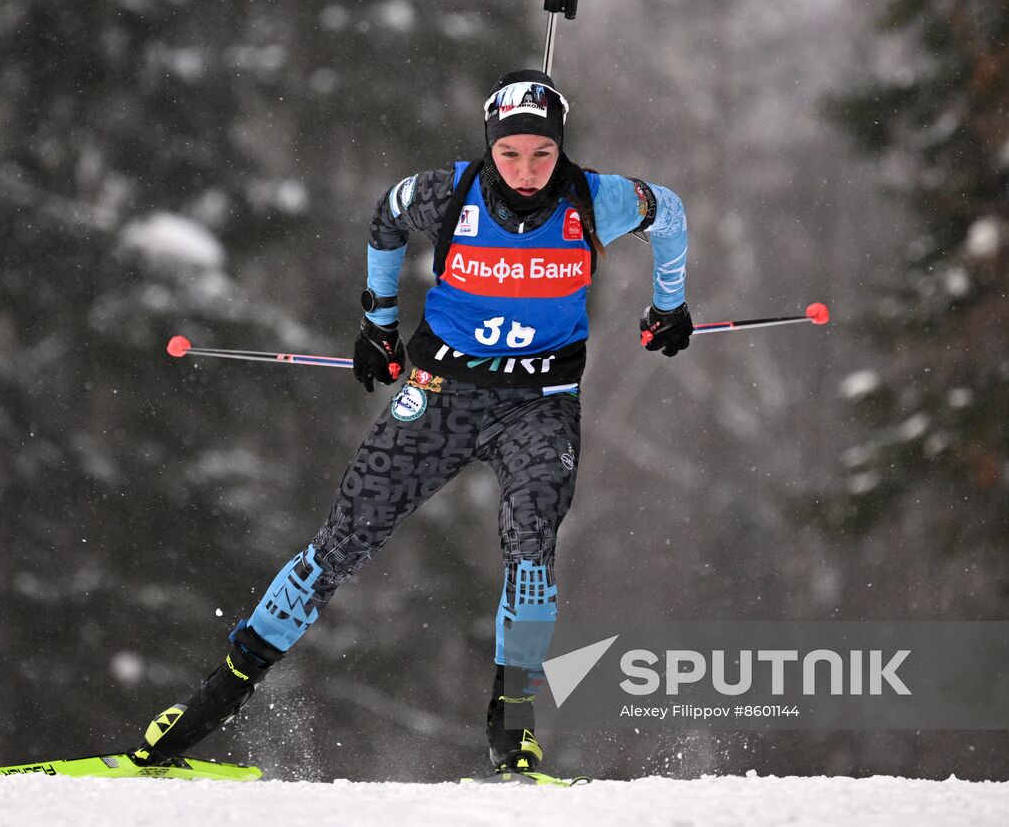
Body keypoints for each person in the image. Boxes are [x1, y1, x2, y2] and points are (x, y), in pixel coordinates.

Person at [132, 69, 692, 774]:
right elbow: (385, 218)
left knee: (530, 547)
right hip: (439, 393)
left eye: (541, 155)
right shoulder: (445, 192)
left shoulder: (598, 198)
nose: (526, 170)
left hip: (540, 404)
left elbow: (668, 213)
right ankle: (211, 702)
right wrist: (379, 325)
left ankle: (511, 727)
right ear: (490, 147)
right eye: (511, 153)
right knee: (341, 543)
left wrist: (668, 306)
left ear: (561, 151)